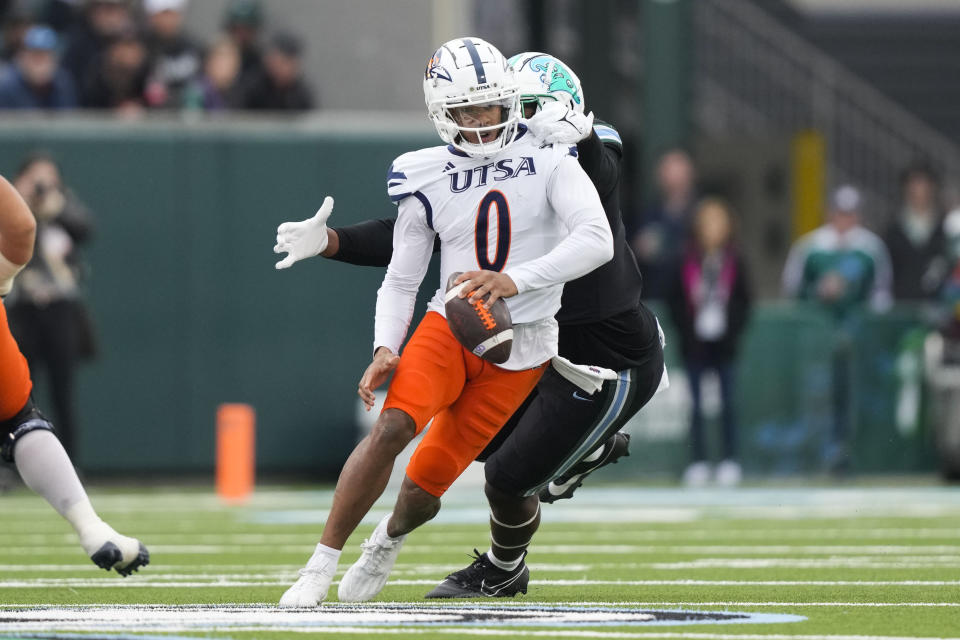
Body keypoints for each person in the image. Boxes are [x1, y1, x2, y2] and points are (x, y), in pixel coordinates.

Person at [274, 49, 665, 601]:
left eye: (498, 107)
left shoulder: (565, 154)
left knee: (484, 477)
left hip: (564, 349)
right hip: (471, 325)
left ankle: (421, 541)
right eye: (472, 109)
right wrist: (340, 257)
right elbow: (413, 248)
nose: (490, 121)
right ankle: (322, 566)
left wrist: (580, 143)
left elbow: (597, 219)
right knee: (414, 437)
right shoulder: (434, 168)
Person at [0, 172, 149, 576]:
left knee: (28, 414)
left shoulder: (67, 212)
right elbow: (21, 228)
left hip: (55, 319)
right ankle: (90, 525)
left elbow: (66, 228)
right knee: (22, 423)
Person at [782, 185, 892, 473]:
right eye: (841, 213)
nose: (845, 220)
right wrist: (821, 291)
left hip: (858, 341)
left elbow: (882, 296)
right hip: (819, 341)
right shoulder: (811, 247)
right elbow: (793, 291)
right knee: (818, 400)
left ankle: (853, 457)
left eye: (851, 213)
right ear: (831, 213)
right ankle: (819, 458)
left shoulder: (870, 248)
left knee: (858, 400)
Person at [5, 152, 94, 458]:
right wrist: (22, 200)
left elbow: (84, 229)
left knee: (62, 392)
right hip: (21, 308)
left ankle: (70, 462)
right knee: (16, 393)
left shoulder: (63, 203)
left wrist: (52, 207)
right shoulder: (13, 204)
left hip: (59, 310)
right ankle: (10, 466)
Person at [666, 197, 752, 487]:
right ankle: (698, 461)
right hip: (695, 343)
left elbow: (744, 301)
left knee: (728, 402)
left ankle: (729, 460)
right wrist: (687, 332)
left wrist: (733, 332)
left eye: (719, 222)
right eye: (707, 223)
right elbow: (674, 300)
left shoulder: (735, 259)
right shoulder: (685, 259)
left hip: (724, 343)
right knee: (696, 406)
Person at [632, 149, 698, 299]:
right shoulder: (648, 214)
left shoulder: (702, 213)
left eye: (678, 171)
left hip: (690, 304)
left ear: (690, 174)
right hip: (655, 297)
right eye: (667, 170)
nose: (673, 177)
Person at [883, 161, 947, 302]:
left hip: (939, 305)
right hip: (902, 303)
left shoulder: (946, 226)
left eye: (923, 185)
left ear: (932, 188)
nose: (917, 191)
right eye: (913, 185)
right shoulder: (893, 228)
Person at [142, 0, 202, 109]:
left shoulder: (195, 47)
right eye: (162, 14)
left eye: (171, 14)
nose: (167, 20)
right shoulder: (141, 48)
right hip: (151, 117)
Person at [0, 25, 77, 109]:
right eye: (35, 57)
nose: (40, 65)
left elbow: (69, 118)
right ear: (22, 57)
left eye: (44, 57)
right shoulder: (6, 86)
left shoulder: (63, 84)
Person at [240, 30, 313, 111]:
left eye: (288, 62)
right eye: (280, 61)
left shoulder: (300, 93)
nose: (284, 67)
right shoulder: (252, 87)